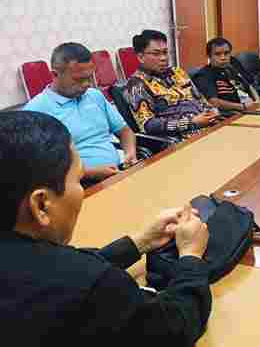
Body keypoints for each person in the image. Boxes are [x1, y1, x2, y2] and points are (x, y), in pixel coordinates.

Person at [0, 111, 211, 345]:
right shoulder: (92, 286)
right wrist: (191, 256)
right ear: (41, 204)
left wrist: (141, 242)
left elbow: (59, 267)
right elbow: (175, 328)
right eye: (78, 180)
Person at [24, 42, 136, 183]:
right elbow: (39, 168)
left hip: (117, 173)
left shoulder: (94, 96)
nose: (86, 84)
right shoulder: (36, 110)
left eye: (89, 77)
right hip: (74, 185)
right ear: (55, 75)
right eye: (79, 79)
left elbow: (124, 131)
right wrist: (87, 173)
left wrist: (130, 153)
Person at [124, 30, 219, 140]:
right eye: (156, 54)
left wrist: (213, 111)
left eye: (165, 52)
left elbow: (200, 99)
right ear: (141, 57)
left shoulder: (178, 72)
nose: (163, 58)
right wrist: (191, 122)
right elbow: (148, 125)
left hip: (209, 129)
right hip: (181, 140)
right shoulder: (136, 85)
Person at [192, 37, 260, 112]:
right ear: (209, 56)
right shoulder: (203, 75)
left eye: (226, 53)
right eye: (217, 54)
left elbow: (249, 85)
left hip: (248, 108)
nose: (223, 57)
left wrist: (257, 101)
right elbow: (213, 102)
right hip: (231, 113)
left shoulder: (232, 66)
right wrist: (242, 107)